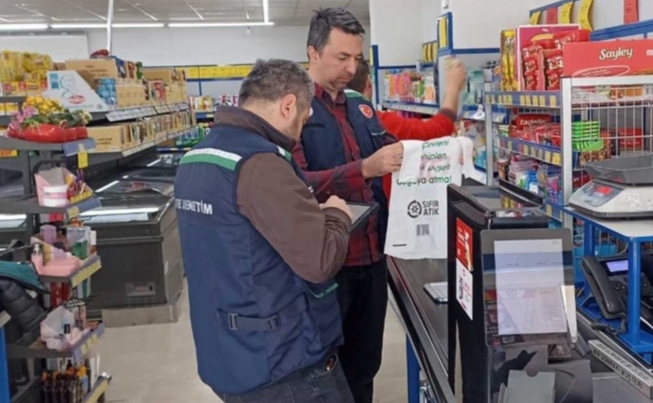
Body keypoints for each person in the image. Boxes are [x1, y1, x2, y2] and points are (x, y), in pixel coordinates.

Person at [175, 59, 355, 403]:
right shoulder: (260, 164)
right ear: (288, 105)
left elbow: (239, 239)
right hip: (282, 363)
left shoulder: (197, 157)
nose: (300, 133)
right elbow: (319, 261)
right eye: (303, 120)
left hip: (228, 351)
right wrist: (336, 215)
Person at [294, 8, 403, 403]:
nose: (351, 68)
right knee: (324, 371)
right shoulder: (293, 110)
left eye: (356, 58)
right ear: (313, 52)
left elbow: (390, 148)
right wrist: (364, 169)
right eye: (342, 57)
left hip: (372, 259)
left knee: (365, 366)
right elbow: (295, 185)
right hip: (328, 266)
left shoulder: (360, 107)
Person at [347, 57, 468, 198]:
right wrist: (453, 88)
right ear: (369, 84)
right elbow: (437, 130)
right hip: (379, 203)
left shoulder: (331, 119)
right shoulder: (379, 122)